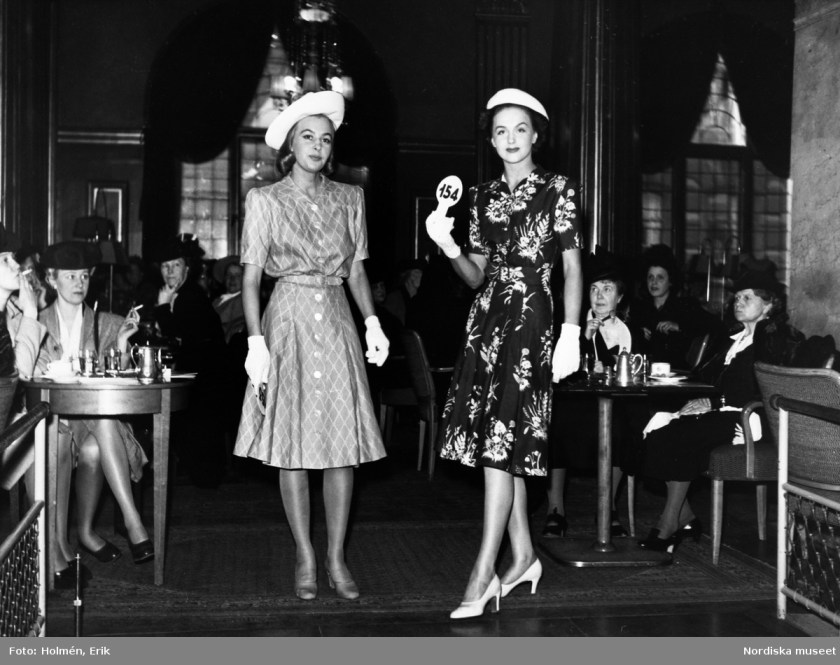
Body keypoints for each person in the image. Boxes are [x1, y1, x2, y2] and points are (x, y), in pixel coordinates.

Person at [426, 88, 583, 619]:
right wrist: (447, 246)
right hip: (486, 324)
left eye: (520, 129)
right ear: (491, 141)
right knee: (503, 442)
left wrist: (571, 330)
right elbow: (476, 276)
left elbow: (571, 268)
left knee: (500, 443)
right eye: (500, 131)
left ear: (536, 134)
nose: (511, 139)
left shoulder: (557, 188)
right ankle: (524, 557)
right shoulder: (482, 196)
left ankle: (482, 571)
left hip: (533, 322)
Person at [233, 91, 389, 602]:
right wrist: (256, 341)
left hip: (338, 320)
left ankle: (336, 556)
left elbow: (358, 269)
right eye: (308, 136)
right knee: (292, 448)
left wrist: (372, 323)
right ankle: (304, 552)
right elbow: (251, 277)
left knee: (343, 449)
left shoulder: (350, 197)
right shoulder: (265, 200)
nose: (318, 146)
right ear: (290, 144)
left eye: (326, 138)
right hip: (288, 320)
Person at [638, 270, 792, 553]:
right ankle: (686, 518)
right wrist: (701, 399)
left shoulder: (773, 340)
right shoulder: (735, 338)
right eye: (738, 297)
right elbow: (710, 377)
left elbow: (768, 387)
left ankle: (668, 522)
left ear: (768, 306)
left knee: (681, 437)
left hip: (749, 419)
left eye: (748, 298)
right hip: (723, 410)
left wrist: (715, 403)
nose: (738, 302)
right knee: (659, 430)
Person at [35, 241, 152, 589]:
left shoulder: (109, 323)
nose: (78, 283)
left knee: (101, 423)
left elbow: (122, 383)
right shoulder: (35, 324)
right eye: (69, 276)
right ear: (52, 279)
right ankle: (95, 532)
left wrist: (122, 348)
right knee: (90, 447)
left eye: (84, 276)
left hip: (94, 422)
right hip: (53, 421)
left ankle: (101, 528)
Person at [543, 247, 641, 539]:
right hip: (576, 401)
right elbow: (563, 371)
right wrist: (585, 337)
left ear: (619, 297)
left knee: (625, 430)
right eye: (594, 289)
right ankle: (555, 510)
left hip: (614, 404)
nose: (599, 296)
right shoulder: (568, 323)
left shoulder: (630, 328)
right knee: (558, 427)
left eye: (607, 289)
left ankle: (608, 508)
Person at [153, 234, 228, 487]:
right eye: (165, 266)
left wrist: (162, 308)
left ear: (187, 268)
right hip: (200, 373)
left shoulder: (190, 295)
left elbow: (180, 336)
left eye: (176, 265)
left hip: (206, 378)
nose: (170, 271)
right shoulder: (181, 292)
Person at [632, 244, 721, 369]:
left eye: (660, 277)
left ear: (671, 281)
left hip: (678, 374)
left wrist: (680, 326)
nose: (654, 282)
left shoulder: (685, 306)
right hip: (644, 373)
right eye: (650, 277)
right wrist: (637, 331)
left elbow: (715, 325)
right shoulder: (639, 308)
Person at [211, 255, 246, 344]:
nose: (232, 279)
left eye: (237, 275)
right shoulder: (218, 299)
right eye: (229, 274)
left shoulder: (242, 302)